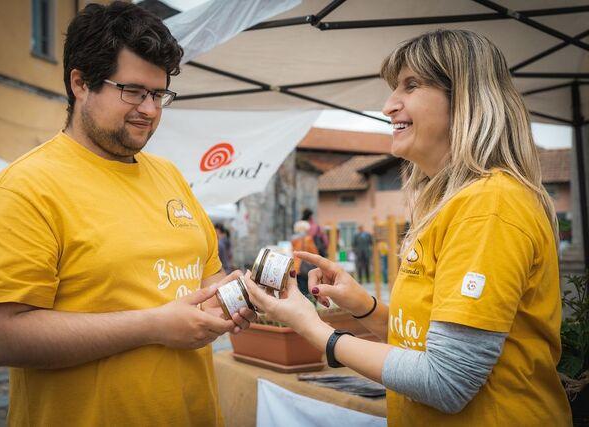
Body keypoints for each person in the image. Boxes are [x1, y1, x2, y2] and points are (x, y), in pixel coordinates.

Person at [243, 29, 572, 426]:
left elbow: (446, 381)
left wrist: (314, 330)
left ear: (464, 99)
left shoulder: (489, 205)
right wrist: (363, 306)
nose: (388, 106)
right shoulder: (456, 202)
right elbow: (422, 342)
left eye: (411, 85)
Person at [0, 3, 254, 425]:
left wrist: (232, 299)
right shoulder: (23, 188)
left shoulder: (170, 177)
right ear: (80, 83)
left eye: (158, 94)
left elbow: (207, 280)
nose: (150, 110)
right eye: (133, 91)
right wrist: (153, 325)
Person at [290, 220, 318, 298]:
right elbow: (314, 252)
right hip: (306, 266)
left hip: (296, 267)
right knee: (307, 287)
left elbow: (292, 252)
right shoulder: (308, 239)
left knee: (300, 287)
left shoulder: (293, 239)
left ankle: (301, 301)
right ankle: (309, 301)